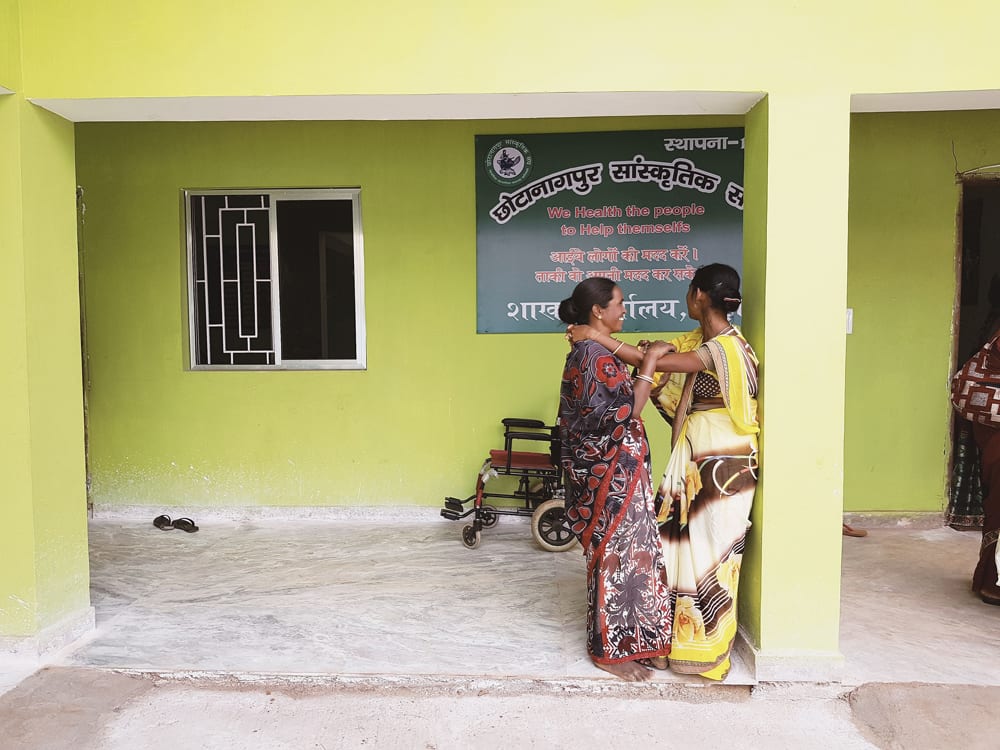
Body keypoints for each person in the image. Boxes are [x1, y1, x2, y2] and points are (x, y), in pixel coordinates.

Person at [568, 263, 758, 680]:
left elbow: (658, 365)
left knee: (709, 554)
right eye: (618, 304)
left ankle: (705, 648)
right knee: (674, 546)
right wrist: (616, 344)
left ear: (699, 296)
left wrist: (598, 335)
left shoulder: (726, 347)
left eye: (689, 292)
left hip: (722, 461)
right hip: (690, 457)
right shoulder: (698, 340)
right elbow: (647, 358)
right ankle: (666, 641)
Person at [557, 278, 673, 682]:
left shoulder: (591, 348)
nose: (625, 311)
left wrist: (644, 359)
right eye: (619, 305)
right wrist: (650, 363)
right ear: (597, 311)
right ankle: (610, 651)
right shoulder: (595, 357)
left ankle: (640, 641)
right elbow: (629, 410)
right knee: (617, 558)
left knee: (632, 556)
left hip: (620, 471)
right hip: (613, 476)